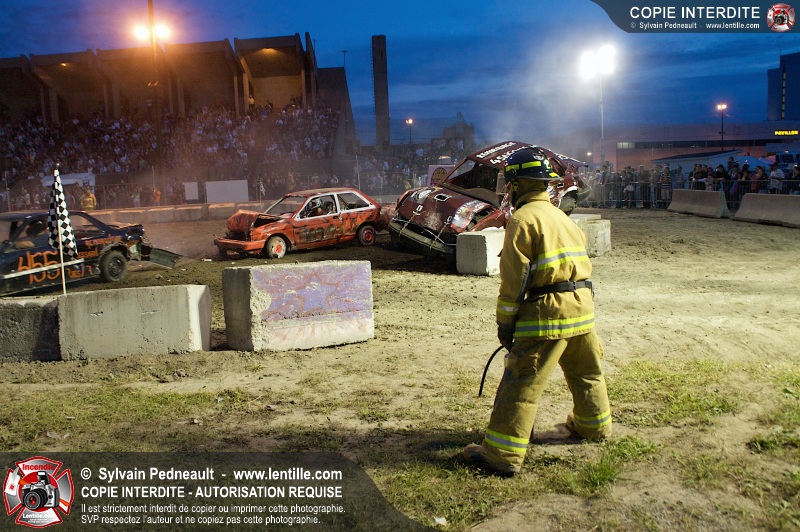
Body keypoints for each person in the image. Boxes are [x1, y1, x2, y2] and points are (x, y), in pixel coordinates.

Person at [463, 148, 612, 476]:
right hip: (582, 309)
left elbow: (514, 280)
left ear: (518, 184)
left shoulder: (523, 220)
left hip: (547, 313)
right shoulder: (563, 218)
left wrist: (505, 323)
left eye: (509, 183)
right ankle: (594, 425)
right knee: (587, 372)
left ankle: (502, 454)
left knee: (521, 382)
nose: (506, 189)